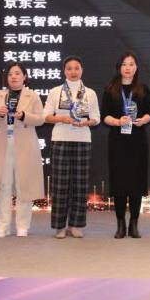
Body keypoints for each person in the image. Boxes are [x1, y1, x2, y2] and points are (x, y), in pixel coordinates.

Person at [0, 62, 45, 237]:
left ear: (24, 76)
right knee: (3, 185)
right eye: (10, 74)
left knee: (23, 185)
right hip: (2, 143)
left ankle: (23, 226)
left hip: (25, 144)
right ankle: (2, 226)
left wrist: (24, 115)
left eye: (17, 73)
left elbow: (40, 119)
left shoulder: (33, 96)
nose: (14, 77)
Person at [43, 55, 100, 238]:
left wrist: (87, 122)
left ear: (82, 70)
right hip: (60, 139)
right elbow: (45, 116)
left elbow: (97, 117)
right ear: (64, 71)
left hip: (83, 140)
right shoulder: (55, 91)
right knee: (60, 185)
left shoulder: (90, 93)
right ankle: (60, 226)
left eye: (76, 68)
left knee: (80, 185)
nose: (73, 72)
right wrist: (61, 118)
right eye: (69, 68)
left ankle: (75, 225)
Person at [101, 51, 150, 239]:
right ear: (119, 67)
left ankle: (134, 224)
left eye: (131, 64)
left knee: (137, 183)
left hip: (138, 141)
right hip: (118, 141)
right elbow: (104, 115)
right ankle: (120, 223)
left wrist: (143, 119)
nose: (128, 68)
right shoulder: (110, 89)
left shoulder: (143, 89)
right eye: (124, 64)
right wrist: (117, 121)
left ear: (136, 67)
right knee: (119, 183)